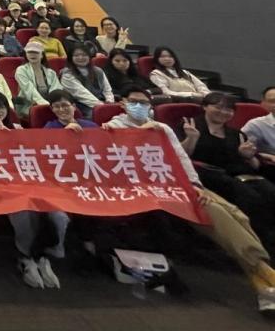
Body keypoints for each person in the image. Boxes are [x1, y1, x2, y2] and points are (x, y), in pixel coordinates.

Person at [104, 86, 275, 313]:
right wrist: (139, 136)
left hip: (179, 185)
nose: (139, 106)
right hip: (148, 189)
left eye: (144, 103)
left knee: (237, 215)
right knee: (217, 216)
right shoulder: (112, 127)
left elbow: (181, 159)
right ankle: (264, 275)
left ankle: (263, 281)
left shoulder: (162, 128)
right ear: (123, 103)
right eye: (134, 101)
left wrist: (194, 185)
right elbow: (118, 164)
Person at [0, 91, 66, 288]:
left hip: (25, 180)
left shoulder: (18, 129)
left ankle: (43, 255)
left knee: (57, 214)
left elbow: (30, 156)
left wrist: (10, 135)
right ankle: (26, 256)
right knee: (23, 211)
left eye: (2, 107)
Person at [178, 92, 275, 251]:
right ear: (205, 106)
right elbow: (180, 156)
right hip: (211, 175)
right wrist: (191, 138)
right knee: (252, 200)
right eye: (218, 107)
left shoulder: (236, 134)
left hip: (242, 175)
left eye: (229, 109)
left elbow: (255, 164)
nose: (223, 112)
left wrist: (248, 156)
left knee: (270, 193)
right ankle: (262, 244)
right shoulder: (190, 126)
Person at [59, 43, 114, 116]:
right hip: (82, 105)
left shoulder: (98, 71)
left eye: (84, 55)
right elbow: (81, 94)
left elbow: (107, 90)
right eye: (76, 55)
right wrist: (102, 106)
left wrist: (109, 101)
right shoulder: (67, 74)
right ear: (70, 58)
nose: (80, 58)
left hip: (102, 103)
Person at [14, 42, 63, 119]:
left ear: (42, 55)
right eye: (29, 52)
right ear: (26, 54)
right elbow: (29, 91)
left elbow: (56, 90)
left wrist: (53, 104)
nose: (32, 55)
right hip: (29, 106)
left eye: (36, 52)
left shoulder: (51, 72)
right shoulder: (21, 70)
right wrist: (46, 105)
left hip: (51, 105)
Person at [242, 86, 275, 182]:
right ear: (263, 104)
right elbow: (243, 150)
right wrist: (268, 156)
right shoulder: (256, 125)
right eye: (272, 101)